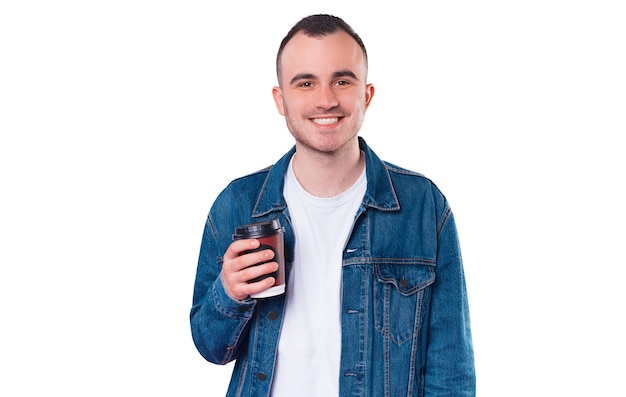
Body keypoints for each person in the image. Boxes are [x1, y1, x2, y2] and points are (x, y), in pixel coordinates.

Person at [190, 14, 475, 396]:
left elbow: (451, 372)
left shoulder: (423, 207)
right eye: (306, 83)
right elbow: (211, 348)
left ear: (366, 95)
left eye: (342, 81)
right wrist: (228, 293)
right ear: (281, 99)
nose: (325, 99)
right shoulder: (237, 205)